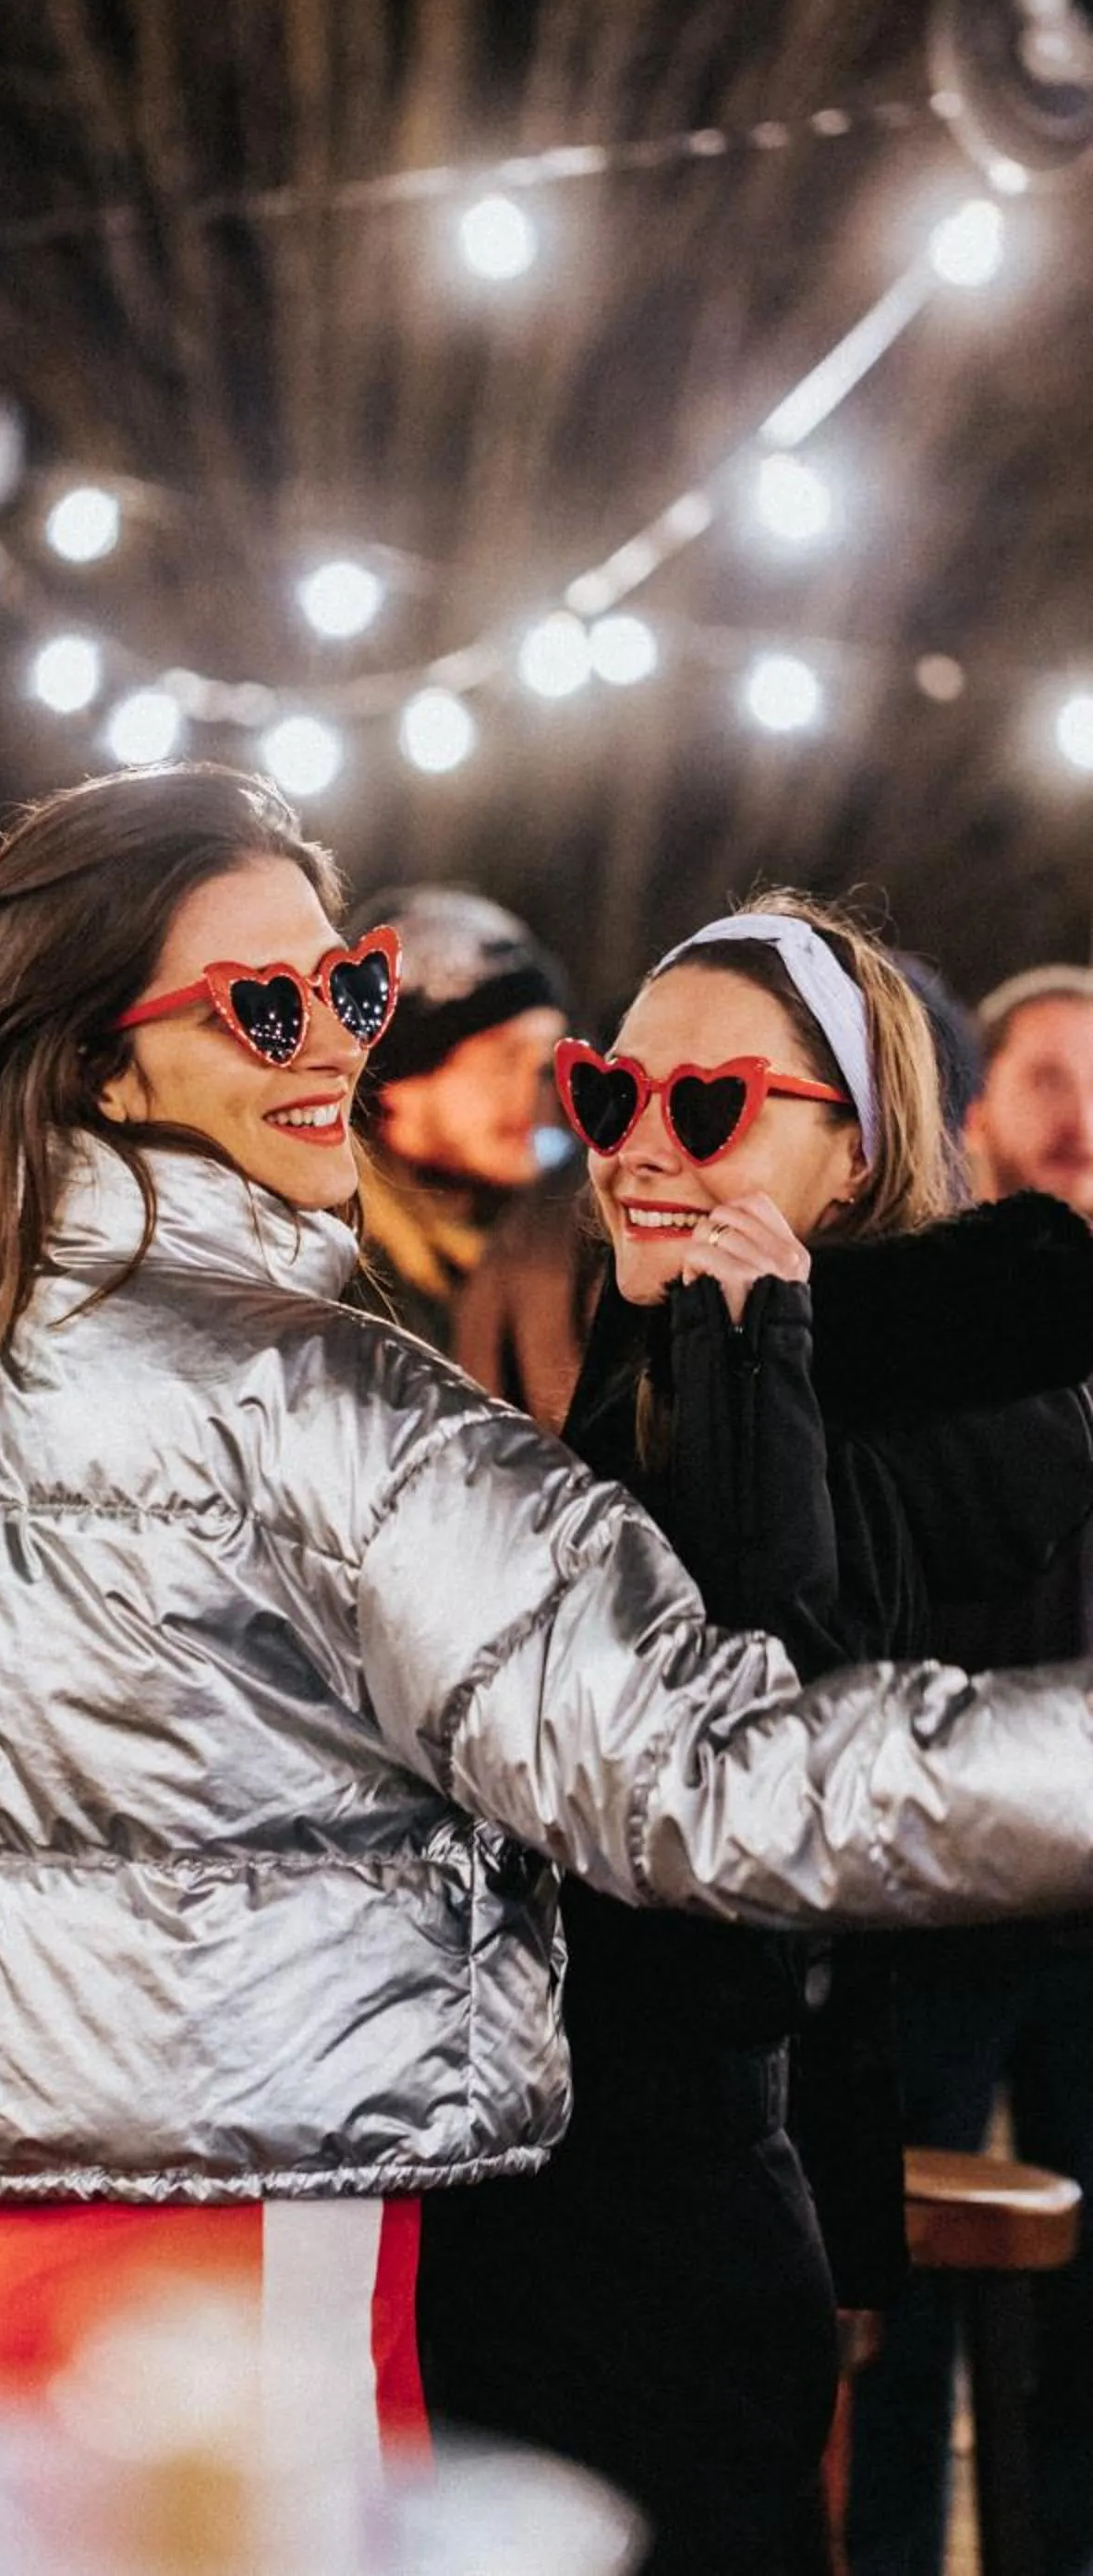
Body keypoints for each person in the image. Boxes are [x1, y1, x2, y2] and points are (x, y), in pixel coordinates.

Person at [0, 770, 1093, 2475]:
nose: (335, 1044)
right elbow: (706, 1775)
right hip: (248, 2277)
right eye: (265, 1008)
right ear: (95, 1059)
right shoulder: (341, 1406)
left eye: (351, 988)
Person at [421, 897, 1093, 2575]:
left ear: (850, 1159)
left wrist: (762, 1341)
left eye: (710, 1107)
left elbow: (745, 1774)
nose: (641, 1148)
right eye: (606, 1095)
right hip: (545, 2187)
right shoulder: (657, 1353)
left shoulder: (812, 1393)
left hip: (668, 2218)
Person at [846, 961, 1093, 2576]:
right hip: (929, 1864)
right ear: (982, 1103)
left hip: (1086, 1893)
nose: (1076, 1115)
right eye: (1047, 1077)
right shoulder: (917, 1302)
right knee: (900, 2264)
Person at [347, 885, 572, 1355]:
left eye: (545, 1062)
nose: (537, 1092)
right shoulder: (352, 1298)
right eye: (504, 1060)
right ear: (398, 1082)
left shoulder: (550, 1240)